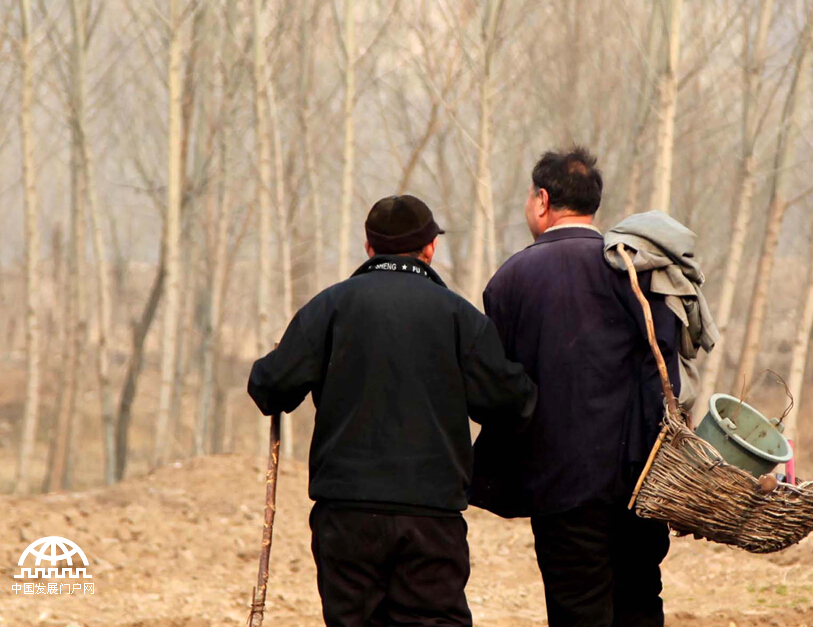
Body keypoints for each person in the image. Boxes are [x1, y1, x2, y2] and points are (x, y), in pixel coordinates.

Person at [248, 194, 537, 627]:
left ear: (369, 249)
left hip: (345, 517)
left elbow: (269, 388)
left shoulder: (328, 308)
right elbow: (513, 402)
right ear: (430, 249)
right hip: (430, 518)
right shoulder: (460, 317)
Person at [470, 147, 681, 627]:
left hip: (561, 488)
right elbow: (666, 373)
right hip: (644, 486)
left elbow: (500, 390)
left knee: (577, 611)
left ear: (542, 200)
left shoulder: (511, 281)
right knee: (641, 607)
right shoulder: (637, 270)